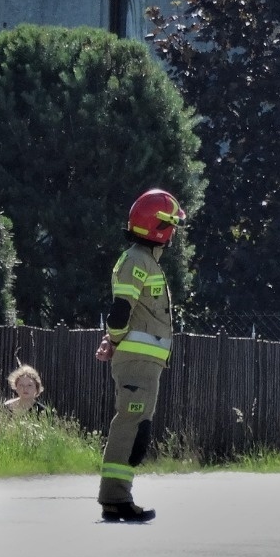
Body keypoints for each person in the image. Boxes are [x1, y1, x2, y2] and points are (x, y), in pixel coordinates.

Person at [94, 188, 185, 523]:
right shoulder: (137, 260)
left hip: (144, 365)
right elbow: (119, 313)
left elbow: (128, 317)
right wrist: (114, 339)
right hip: (137, 364)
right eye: (171, 225)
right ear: (159, 227)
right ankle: (116, 498)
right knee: (130, 425)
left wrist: (113, 340)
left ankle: (118, 497)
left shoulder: (143, 261)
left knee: (136, 428)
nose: (174, 233)